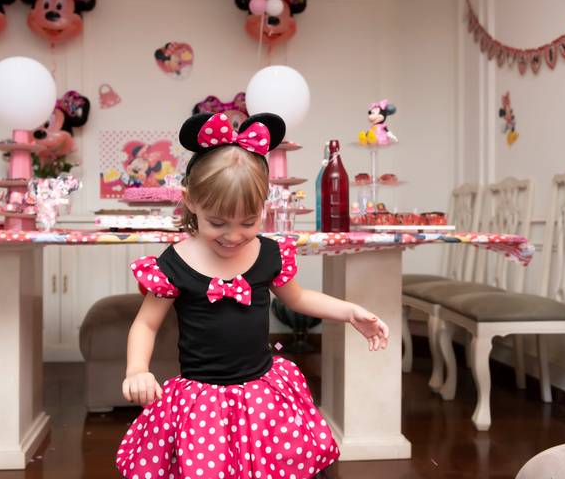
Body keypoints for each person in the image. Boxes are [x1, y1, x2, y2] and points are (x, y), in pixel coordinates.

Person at [116, 112, 389, 479]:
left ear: (264, 205)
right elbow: (146, 325)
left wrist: (350, 312)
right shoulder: (175, 264)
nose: (234, 236)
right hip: (203, 402)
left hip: (262, 394)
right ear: (191, 201)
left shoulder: (268, 254)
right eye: (217, 223)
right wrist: (137, 370)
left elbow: (299, 299)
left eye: (248, 222)